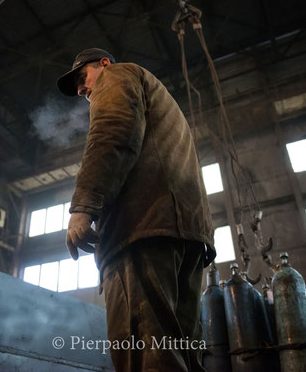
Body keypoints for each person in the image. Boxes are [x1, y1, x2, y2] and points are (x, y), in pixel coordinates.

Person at [57, 48, 215, 372]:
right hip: (184, 236)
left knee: (146, 357)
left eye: (81, 78)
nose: (80, 89)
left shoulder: (117, 75)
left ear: (103, 64)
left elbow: (113, 133)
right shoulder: (160, 101)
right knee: (182, 357)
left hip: (141, 232)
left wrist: (83, 208)